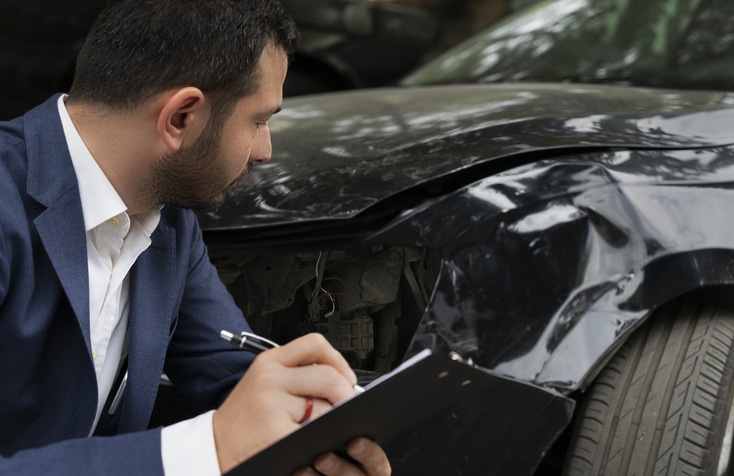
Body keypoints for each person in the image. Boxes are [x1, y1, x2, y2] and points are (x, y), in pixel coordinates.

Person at [0, 0, 392, 475]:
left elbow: (229, 366)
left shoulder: (169, 221)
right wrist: (210, 448)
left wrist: (318, 433)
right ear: (182, 117)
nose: (266, 151)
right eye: (260, 120)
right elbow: (222, 436)